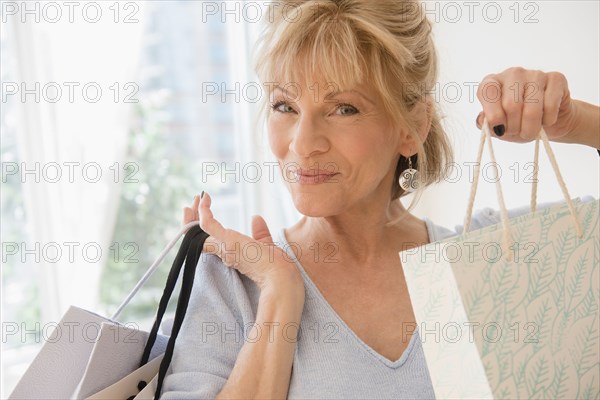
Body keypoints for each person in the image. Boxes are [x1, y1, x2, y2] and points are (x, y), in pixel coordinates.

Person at [160, 1, 600, 398]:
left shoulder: (491, 255)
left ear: (413, 125)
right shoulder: (233, 280)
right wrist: (279, 294)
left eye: (343, 108)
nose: (303, 143)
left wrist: (575, 121)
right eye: (285, 106)